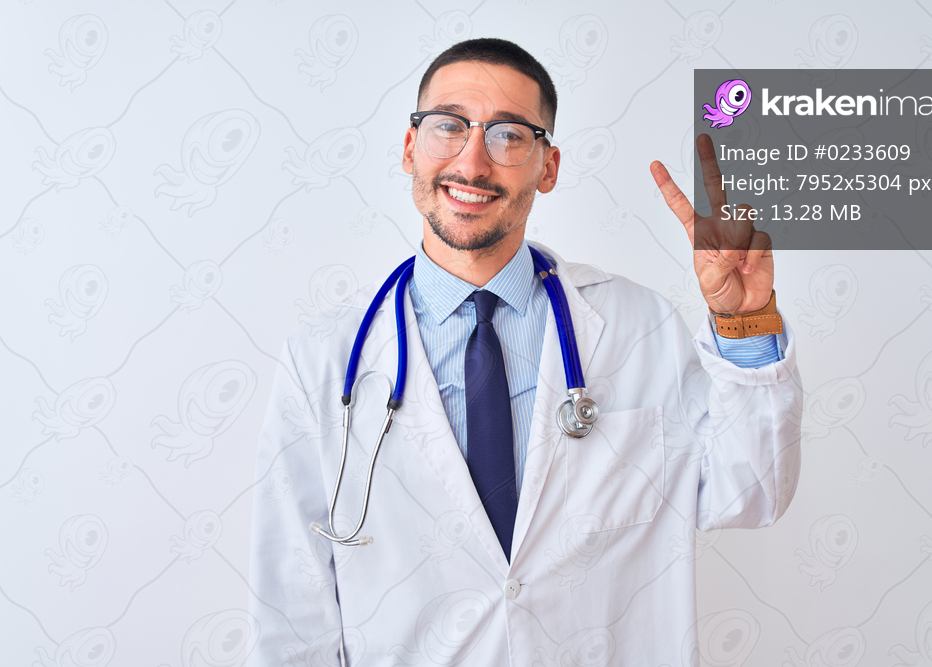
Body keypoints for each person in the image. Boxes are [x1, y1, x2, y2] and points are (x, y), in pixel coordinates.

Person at [249, 38, 801, 666]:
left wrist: (745, 318)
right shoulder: (324, 360)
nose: (473, 161)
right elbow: (293, 607)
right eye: (448, 127)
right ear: (410, 149)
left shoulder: (638, 327)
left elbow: (750, 492)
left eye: (510, 135)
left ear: (549, 166)